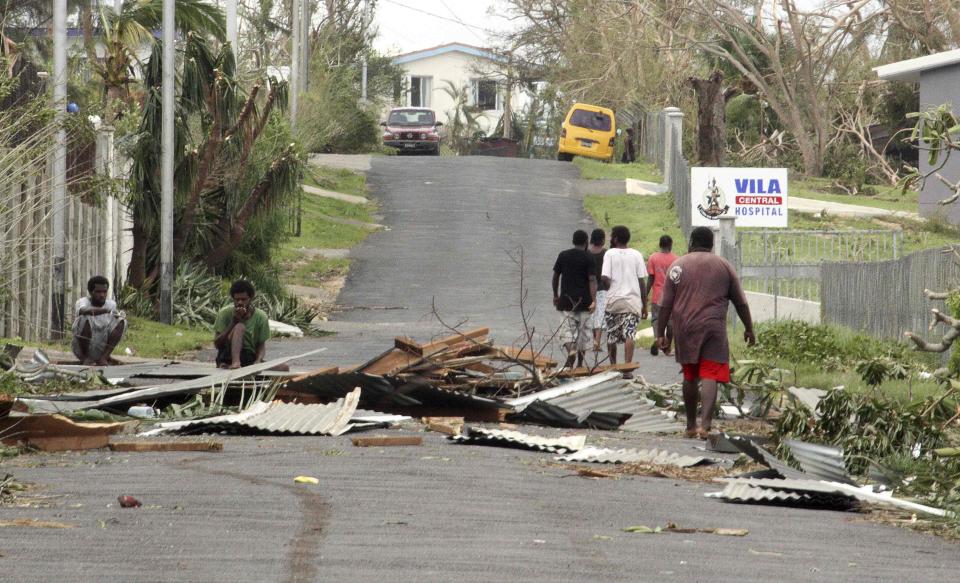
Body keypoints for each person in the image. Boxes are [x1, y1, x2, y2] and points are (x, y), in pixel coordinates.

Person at [655, 227, 756, 439]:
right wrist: (749, 328)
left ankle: (690, 426)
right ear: (711, 244)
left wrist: (661, 332)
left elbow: (665, 305)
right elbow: (741, 302)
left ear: (691, 242)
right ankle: (705, 425)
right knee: (709, 374)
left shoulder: (678, 266)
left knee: (690, 376)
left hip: (686, 327)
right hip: (713, 328)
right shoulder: (724, 266)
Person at [601, 225, 648, 375]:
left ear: (615, 239)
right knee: (630, 334)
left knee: (611, 335)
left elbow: (604, 277)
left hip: (613, 301)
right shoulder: (636, 254)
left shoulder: (610, 254)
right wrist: (645, 306)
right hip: (632, 302)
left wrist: (609, 286)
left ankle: (613, 366)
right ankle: (627, 368)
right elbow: (642, 282)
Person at [552, 229, 597, 369]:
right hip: (585, 303)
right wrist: (594, 300)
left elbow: (555, 277)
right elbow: (592, 280)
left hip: (566, 302)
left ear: (573, 241)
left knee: (566, 331)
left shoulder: (563, 255)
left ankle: (571, 350)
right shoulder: (589, 258)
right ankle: (579, 364)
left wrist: (555, 295)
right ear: (586, 242)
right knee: (583, 335)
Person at [213, 280, 280, 370]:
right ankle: (235, 363)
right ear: (233, 298)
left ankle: (243, 365)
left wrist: (258, 360)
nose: (240, 302)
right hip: (227, 355)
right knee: (240, 327)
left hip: (248, 357)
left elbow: (261, 345)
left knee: (283, 368)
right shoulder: (224, 313)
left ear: (250, 298)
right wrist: (233, 323)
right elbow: (217, 344)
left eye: (243, 299)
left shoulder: (261, 316)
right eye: (237, 299)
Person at [72, 276, 126, 366]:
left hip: (101, 347)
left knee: (121, 321)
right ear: (90, 292)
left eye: (104, 292)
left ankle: (104, 357)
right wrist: (106, 310)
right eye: (98, 292)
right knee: (84, 318)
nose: (102, 295)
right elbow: (84, 311)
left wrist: (120, 314)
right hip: (82, 350)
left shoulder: (111, 304)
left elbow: (115, 325)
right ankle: (86, 358)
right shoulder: (83, 301)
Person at [647, 235, 679, 356]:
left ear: (660, 244)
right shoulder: (676, 259)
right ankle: (667, 348)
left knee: (656, 319)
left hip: (657, 296)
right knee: (671, 323)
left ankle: (657, 338)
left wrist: (645, 294)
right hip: (672, 297)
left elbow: (650, 278)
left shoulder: (653, 258)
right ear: (670, 245)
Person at [588, 228, 609, 352]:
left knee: (592, 313)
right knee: (600, 315)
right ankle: (597, 341)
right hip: (602, 287)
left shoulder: (587, 252)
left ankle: (594, 340)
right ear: (602, 239)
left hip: (589, 287)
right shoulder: (606, 253)